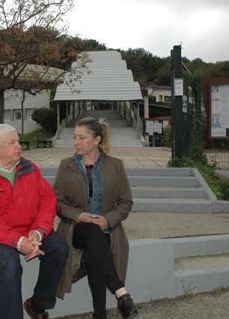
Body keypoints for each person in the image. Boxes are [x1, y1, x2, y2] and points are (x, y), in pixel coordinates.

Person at [0, 124, 69, 319]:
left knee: (59, 248)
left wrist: (38, 232)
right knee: (9, 263)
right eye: (12, 142)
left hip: (30, 230)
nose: (19, 146)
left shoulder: (30, 168)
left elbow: (47, 200)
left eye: (18, 141)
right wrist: (18, 241)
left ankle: (38, 305)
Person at [54, 117, 138, 319]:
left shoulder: (115, 165)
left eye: (82, 137)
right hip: (76, 229)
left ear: (97, 140)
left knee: (95, 253)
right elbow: (56, 202)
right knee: (91, 231)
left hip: (107, 230)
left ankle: (99, 315)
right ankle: (121, 292)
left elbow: (125, 202)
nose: (76, 142)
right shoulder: (67, 166)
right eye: (75, 137)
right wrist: (78, 215)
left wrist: (108, 220)